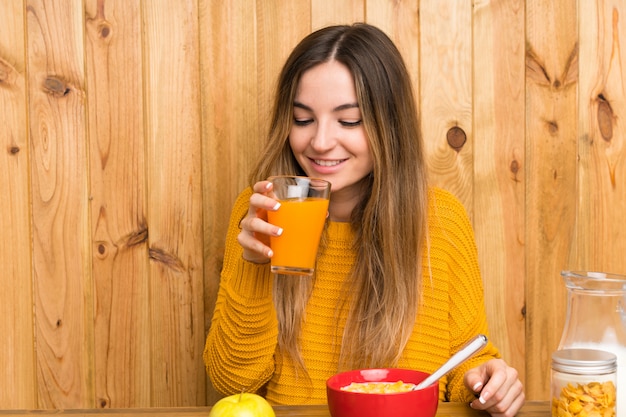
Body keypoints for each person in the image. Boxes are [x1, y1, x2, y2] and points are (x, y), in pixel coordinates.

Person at [203, 23, 525, 415]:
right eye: (302, 119)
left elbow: (463, 369)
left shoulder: (441, 221)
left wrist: (487, 380)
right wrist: (254, 269)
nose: (320, 142)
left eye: (349, 120)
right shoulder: (261, 210)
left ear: (388, 126)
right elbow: (233, 383)